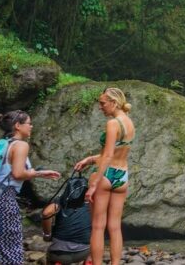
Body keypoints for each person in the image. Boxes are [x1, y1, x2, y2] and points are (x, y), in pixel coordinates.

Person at [0, 111, 60, 265]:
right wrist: (35, 173)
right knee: (11, 247)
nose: (31, 126)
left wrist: (39, 173)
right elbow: (18, 173)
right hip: (4, 199)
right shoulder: (21, 145)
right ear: (18, 126)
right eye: (29, 123)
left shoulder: (2, 143)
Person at [74, 87, 136, 265]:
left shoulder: (112, 124)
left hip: (106, 175)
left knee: (98, 226)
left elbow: (108, 156)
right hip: (122, 175)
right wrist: (89, 159)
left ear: (114, 102)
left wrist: (94, 185)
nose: (100, 107)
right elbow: (115, 153)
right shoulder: (129, 123)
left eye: (102, 103)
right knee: (115, 227)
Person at [41, 175, 91, 264]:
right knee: (95, 243)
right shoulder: (92, 202)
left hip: (59, 254)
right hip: (84, 253)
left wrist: (47, 234)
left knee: (52, 257)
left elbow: (46, 213)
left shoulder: (60, 201)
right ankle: (89, 261)